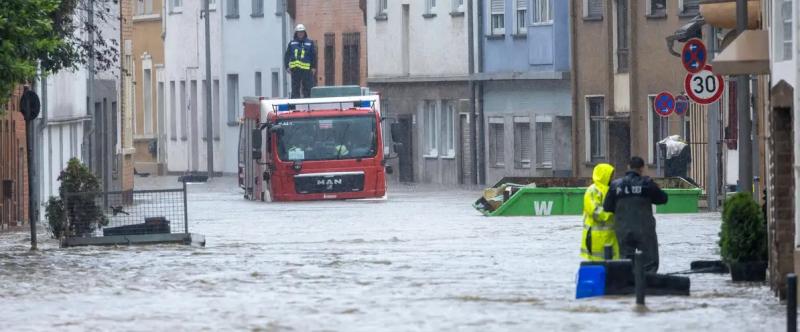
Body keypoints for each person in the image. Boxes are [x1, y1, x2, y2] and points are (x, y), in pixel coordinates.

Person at [603, 156, 668, 272]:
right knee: (649, 262)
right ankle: (647, 284)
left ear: (628, 167)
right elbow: (663, 199)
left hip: (623, 229)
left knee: (626, 260)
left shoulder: (616, 185)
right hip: (644, 229)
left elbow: (607, 207)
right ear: (642, 168)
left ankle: (628, 284)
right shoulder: (647, 184)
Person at [580, 163, 619, 261]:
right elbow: (594, 211)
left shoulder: (612, 189)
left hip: (610, 237)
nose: (612, 178)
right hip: (595, 238)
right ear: (604, 175)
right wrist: (612, 215)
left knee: (612, 264)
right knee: (597, 265)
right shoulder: (592, 191)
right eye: (610, 175)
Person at [284, 24, 317, 99]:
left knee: (307, 89)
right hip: (295, 70)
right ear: (296, 33)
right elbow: (287, 55)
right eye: (299, 32)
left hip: (306, 70)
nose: (300, 34)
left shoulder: (309, 43)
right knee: (295, 89)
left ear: (305, 33)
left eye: (302, 32)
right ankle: (294, 107)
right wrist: (287, 67)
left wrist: (314, 67)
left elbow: (313, 56)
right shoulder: (292, 43)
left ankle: (307, 106)